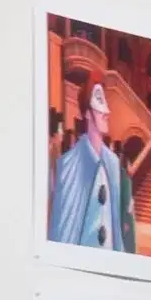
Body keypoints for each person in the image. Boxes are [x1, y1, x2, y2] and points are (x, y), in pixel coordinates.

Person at [48, 82, 129, 253]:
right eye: (99, 101)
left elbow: (115, 227)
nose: (107, 111)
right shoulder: (68, 165)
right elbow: (63, 231)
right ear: (87, 113)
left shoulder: (113, 163)